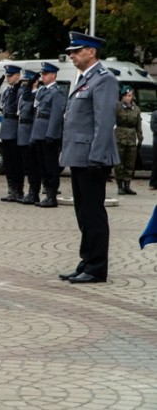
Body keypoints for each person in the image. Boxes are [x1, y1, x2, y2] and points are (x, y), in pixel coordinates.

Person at [58, 31, 119, 284]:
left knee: (93, 214)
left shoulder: (104, 79)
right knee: (83, 213)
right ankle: (86, 261)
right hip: (79, 156)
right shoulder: (84, 78)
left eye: (76, 51)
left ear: (91, 52)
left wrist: (97, 157)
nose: (72, 55)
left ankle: (96, 268)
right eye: (71, 52)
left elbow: (103, 122)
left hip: (92, 158)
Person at [30, 63, 65, 207]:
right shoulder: (42, 91)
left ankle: (52, 196)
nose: (42, 77)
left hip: (49, 134)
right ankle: (47, 194)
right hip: (39, 133)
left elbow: (56, 115)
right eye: (42, 74)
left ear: (53, 75)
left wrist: (51, 134)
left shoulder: (57, 92)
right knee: (42, 165)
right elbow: (37, 114)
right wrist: (34, 135)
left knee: (51, 166)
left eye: (45, 74)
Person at [0, 64, 24, 202]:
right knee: (8, 163)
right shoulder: (7, 91)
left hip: (15, 128)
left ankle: (18, 191)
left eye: (10, 76)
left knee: (16, 162)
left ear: (18, 76)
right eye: (7, 76)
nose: (8, 78)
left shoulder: (21, 91)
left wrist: (16, 88)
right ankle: (11, 190)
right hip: (6, 128)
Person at [17, 70, 42, 205]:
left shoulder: (38, 94)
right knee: (27, 166)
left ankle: (34, 192)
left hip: (31, 132)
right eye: (25, 82)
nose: (26, 84)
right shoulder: (26, 95)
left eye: (28, 81)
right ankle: (30, 192)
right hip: (23, 133)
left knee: (33, 166)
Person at [114, 84, 142, 196]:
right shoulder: (118, 107)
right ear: (122, 97)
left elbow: (138, 125)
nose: (128, 98)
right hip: (119, 137)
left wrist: (140, 138)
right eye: (126, 95)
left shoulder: (136, 109)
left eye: (130, 95)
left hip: (131, 138)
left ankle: (127, 185)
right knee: (119, 163)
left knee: (130, 163)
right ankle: (120, 186)